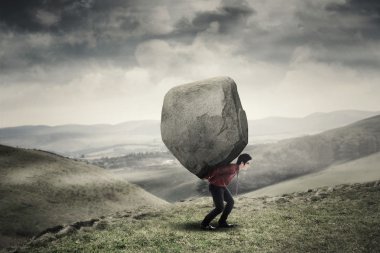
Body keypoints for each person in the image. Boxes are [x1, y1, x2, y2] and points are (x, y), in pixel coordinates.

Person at [200, 153, 252, 230]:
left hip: (221, 186)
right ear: (242, 163)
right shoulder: (232, 168)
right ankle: (204, 224)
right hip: (216, 187)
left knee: (231, 202)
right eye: (248, 163)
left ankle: (222, 222)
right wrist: (207, 176)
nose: (249, 165)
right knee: (220, 208)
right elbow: (217, 170)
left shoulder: (236, 168)